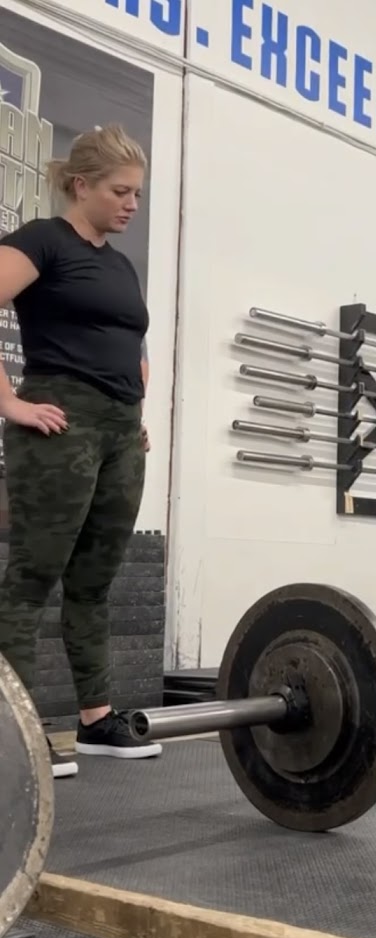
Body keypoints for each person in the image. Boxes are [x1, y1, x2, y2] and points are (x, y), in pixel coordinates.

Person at [0, 123, 162, 780]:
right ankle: (17, 732)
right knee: (31, 579)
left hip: (121, 431)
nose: (131, 204)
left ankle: (95, 721)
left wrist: (135, 414)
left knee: (93, 583)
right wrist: (9, 402)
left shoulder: (120, 264)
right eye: (120, 192)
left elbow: (131, 345)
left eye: (138, 195)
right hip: (59, 423)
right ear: (81, 185)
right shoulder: (42, 241)